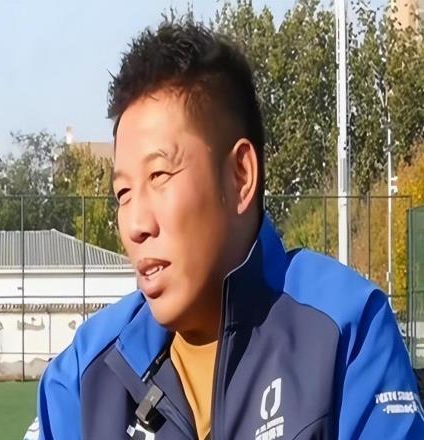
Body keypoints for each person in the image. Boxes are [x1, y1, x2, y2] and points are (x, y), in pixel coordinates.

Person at [27, 22, 424, 439]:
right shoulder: (83, 376)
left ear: (240, 176)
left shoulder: (346, 331)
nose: (137, 225)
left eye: (159, 175)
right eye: (123, 193)